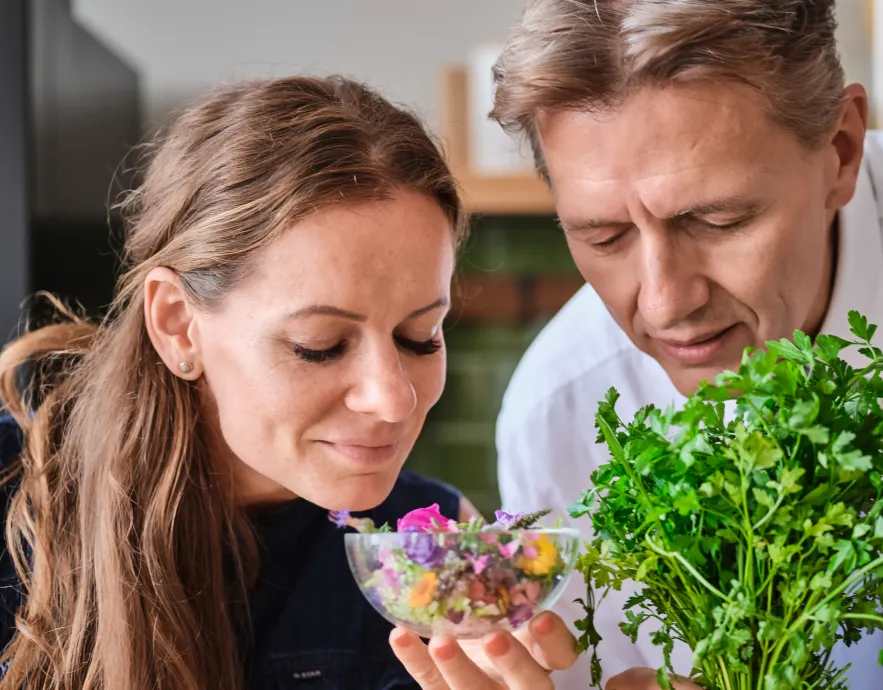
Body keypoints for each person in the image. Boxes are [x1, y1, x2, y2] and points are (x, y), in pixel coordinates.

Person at [490, 2, 883, 690]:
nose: (662, 302)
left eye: (717, 219)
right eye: (604, 238)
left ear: (840, 148)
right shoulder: (556, 414)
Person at [0, 75, 600, 690]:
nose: (393, 399)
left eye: (422, 336)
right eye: (319, 346)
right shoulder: (17, 500)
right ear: (178, 326)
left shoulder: (433, 561)